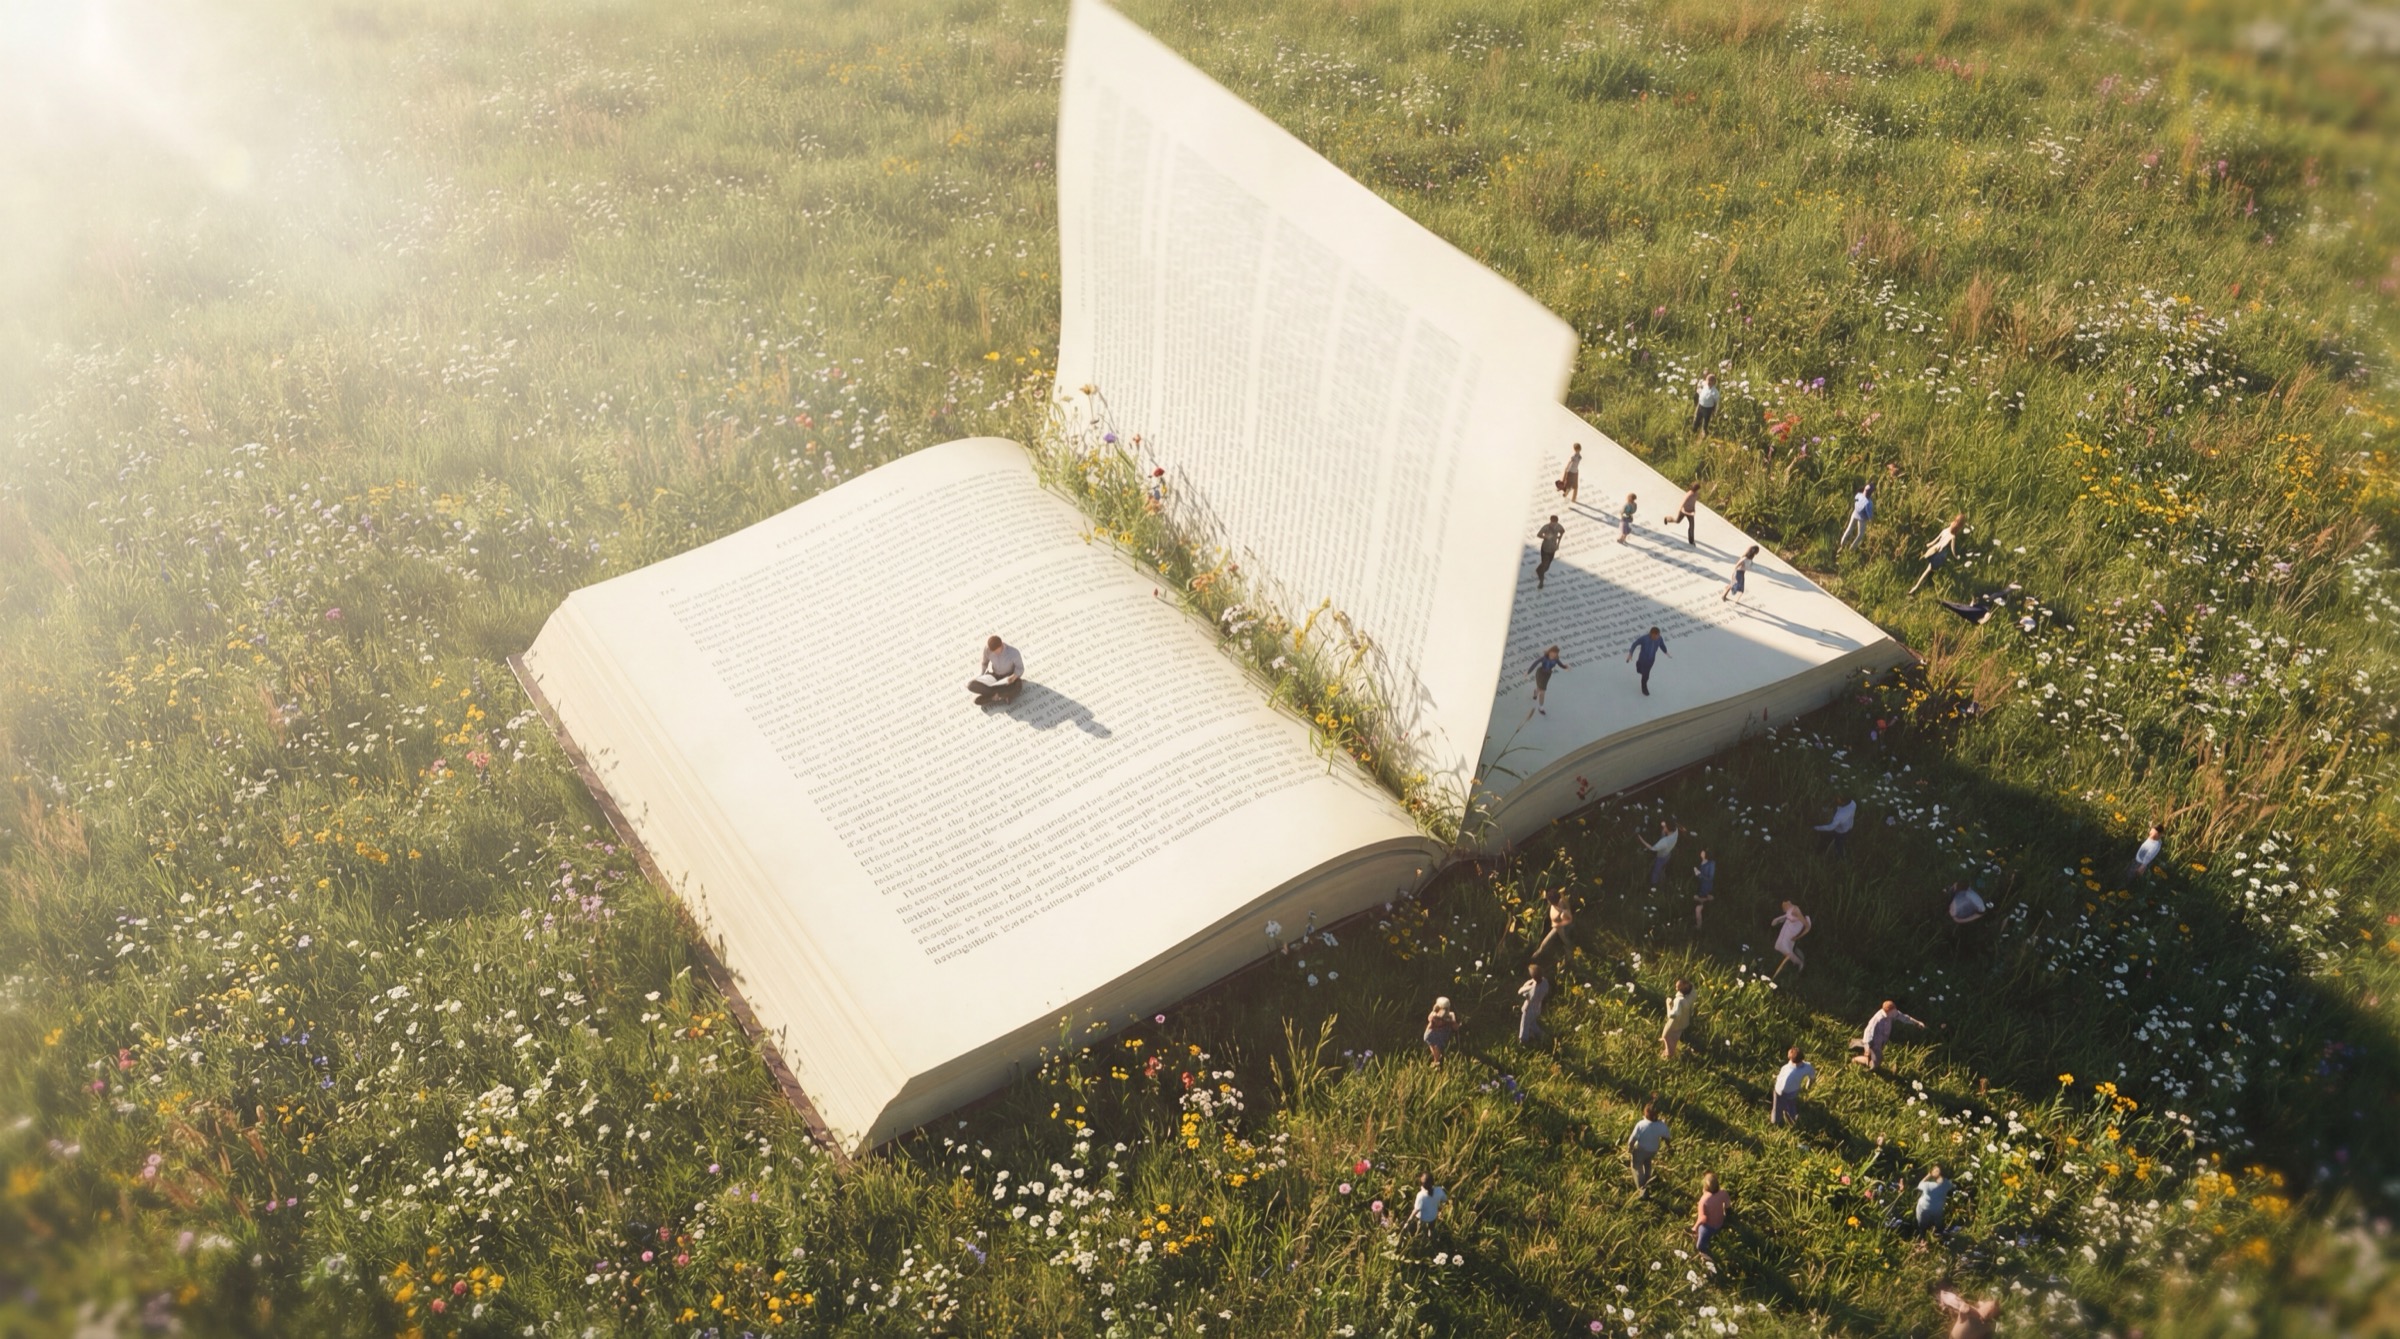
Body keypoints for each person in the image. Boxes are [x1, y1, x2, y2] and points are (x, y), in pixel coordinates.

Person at [1850, 1000, 1925, 1071]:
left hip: (1882, 1040)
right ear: (1887, 1012)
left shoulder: (1892, 1014)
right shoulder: (1878, 1019)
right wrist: (1867, 1049)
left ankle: (1853, 1043)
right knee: (1876, 1060)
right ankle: (1858, 1061)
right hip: (1874, 1043)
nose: (1895, 1014)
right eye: (1893, 1012)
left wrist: (1916, 1023)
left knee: (1866, 1044)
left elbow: (1904, 1017)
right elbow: (1868, 1032)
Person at [1908, 513, 1966, 594]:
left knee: (1926, 566)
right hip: (1939, 554)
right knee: (1928, 569)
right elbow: (1952, 550)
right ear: (1959, 527)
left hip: (1934, 550)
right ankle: (1917, 586)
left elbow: (1936, 540)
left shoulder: (1945, 531)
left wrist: (1929, 544)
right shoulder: (1953, 536)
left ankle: (1919, 584)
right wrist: (1956, 557)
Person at [1627, 1102, 1671, 1193]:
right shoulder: (1661, 1125)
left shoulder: (1641, 1125)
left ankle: (1642, 1188)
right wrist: (1668, 1146)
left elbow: (1633, 1138)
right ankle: (1648, 1178)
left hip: (1641, 1149)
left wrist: (1630, 1148)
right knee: (1647, 1161)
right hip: (1652, 1150)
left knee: (1636, 1166)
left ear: (1646, 1113)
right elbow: (1667, 1137)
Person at [968, 634, 1024, 704]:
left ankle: (991, 696)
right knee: (971, 685)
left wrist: (1013, 677)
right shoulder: (987, 649)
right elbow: (984, 663)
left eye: (997, 651)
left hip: (1008, 679)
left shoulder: (1013, 653)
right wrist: (980, 676)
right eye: (993, 652)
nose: (995, 653)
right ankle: (1000, 695)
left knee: (1018, 687)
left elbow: (1020, 668)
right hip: (994, 677)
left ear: (1002, 645)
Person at [1769, 1047, 1816, 1126]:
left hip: (1780, 1091)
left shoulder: (1786, 1068)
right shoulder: (1808, 1067)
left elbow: (1782, 1082)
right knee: (1791, 1104)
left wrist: (1777, 1078)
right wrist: (1809, 1084)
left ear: (1790, 1059)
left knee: (1777, 1108)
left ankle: (1775, 1122)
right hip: (1793, 1091)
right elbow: (1812, 1077)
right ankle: (1792, 1119)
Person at [1523, 645, 1568, 720]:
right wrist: (1528, 672)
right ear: (1549, 651)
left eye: (1555, 653)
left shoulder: (1556, 660)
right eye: (1552, 652)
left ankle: (1535, 692)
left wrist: (1565, 667)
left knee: (1539, 688)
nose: (1553, 654)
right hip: (1540, 674)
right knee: (1542, 692)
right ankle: (1541, 708)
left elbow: (1561, 665)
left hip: (1547, 675)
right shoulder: (1544, 658)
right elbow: (1535, 664)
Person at [1770, 900, 1811, 977]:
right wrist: (1779, 920)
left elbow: (1807, 927)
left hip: (1794, 928)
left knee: (1784, 947)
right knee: (1779, 945)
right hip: (1788, 925)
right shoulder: (1788, 906)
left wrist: (1797, 937)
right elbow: (1787, 915)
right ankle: (1792, 956)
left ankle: (1799, 963)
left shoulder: (1796, 911)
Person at [1533, 887, 1575, 961]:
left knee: (1566, 944)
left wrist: (1566, 941)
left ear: (1550, 902)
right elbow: (1568, 907)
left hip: (1559, 927)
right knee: (1543, 945)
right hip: (1563, 923)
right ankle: (1536, 954)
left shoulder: (1554, 914)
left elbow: (1560, 930)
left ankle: (1570, 961)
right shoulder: (1562, 900)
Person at [1625, 626, 1669, 696]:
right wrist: (1631, 653)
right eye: (1654, 636)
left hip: (1651, 660)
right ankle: (1638, 666)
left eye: (1657, 636)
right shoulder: (1644, 639)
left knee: (1646, 674)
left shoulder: (1659, 638)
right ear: (1650, 634)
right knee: (1640, 670)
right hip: (1642, 659)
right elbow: (1635, 644)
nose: (1656, 638)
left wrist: (1665, 651)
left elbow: (1662, 645)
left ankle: (1644, 687)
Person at [1692, 1172, 1730, 1254]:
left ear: (1704, 1187)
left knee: (1700, 1245)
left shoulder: (1703, 1200)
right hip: (1720, 1222)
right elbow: (1727, 1206)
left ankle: (1703, 1250)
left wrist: (1695, 1227)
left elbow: (1703, 1218)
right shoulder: (1723, 1193)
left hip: (1709, 1227)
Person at [1660, 979, 1698, 1058]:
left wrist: (1668, 1004)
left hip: (1674, 1023)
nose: (1676, 988)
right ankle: (1671, 1048)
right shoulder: (1691, 996)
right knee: (1675, 1035)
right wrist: (1688, 984)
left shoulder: (1679, 1001)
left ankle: (1668, 1054)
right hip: (1683, 1022)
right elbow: (1692, 988)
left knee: (1665, 1036)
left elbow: (1673, 1015)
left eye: (1678, 987)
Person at [1637, 820, 1681, 888]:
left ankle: (1654, 885)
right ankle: (1662, 872)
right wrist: (1665, 828)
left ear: (1668, 829)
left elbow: (1652, 848)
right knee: (1662, 866)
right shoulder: (1676, 831)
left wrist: (1641, 839)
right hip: (1668, 854)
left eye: (1665, 826)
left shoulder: (1664, 842)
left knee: (1655, 871)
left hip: (1661, 857)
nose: (1664, 826)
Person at [1517, 962, 1551, 1044]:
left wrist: (1527, 985)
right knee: (1532, 1022)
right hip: (1537, 1008)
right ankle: (1541, 1035)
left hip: (1528, 1009)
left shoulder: (1531, 988)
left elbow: (1519, 991)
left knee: (1524, 1024)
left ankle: (1523, 1040)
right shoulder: (1545, 982)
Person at [1422, 997, 1460, 1069]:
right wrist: (1437, 1015)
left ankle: (1437, 1061)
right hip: (1433, 1034)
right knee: (1432, 1045)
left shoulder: (1451, 1015)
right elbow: (1430, 1019)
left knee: (1436, 1046)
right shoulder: (1434, 1014)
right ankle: (1436, 1059)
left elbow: (1455, 1027)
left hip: (1442, 1035)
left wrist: (1451, 1021)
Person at [1913, 1165, 1952, 1232]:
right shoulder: (1947, 1184)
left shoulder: (1929, 1185)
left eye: (1935, 1170)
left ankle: (1922, 1234)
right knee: (1937, 1225)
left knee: (1922, 1226)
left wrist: (1929, 1175)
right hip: (1938, 1210)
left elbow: (1919, 1185)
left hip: (1924, 1209)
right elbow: (1949, 1185)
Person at [1838, 482, 1875, 550]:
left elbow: (1855, 501)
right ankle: (1852, 548)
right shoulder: (1869, 503)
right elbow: (1869, 514)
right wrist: (1871, 519)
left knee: (1849, 529)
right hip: (1862, 519)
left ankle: (1842, 543)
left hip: (1854, 514)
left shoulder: (1858, 495)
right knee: (1860, 535)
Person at [1534, 514, 1566, 589]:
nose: (1553, 524)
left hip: (1552, 548)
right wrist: (1546, 536)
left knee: (1547, 566)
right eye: (1553, 522)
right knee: (1545, 563)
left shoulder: (1558, 526)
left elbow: (1562, 532)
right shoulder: (1546, 527)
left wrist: (1558, 542)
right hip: (1545, 547)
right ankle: (1541, 580)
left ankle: (1540, 570)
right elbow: (1539, 534)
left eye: (1555, 522)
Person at [1692, 850, 1717, 927]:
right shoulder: (1702, 862)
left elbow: (1710, 878)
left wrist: (1699, 874)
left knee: (1698, 909)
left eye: (1703, 852)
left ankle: (1699, 927)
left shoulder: (1711, 863)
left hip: (1706, 887)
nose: (1701, 853)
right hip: (1701, 886)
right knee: (1696, 899)